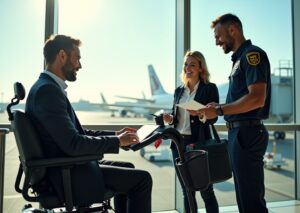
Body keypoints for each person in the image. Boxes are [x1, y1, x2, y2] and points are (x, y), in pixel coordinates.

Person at [25, 34, 152, 213]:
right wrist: (117, 142)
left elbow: (78, 133)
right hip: (66, 174)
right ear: (62, 56)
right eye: (77, 58)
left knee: (129, 168)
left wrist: (117, 136)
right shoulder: (48, 91)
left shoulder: (46, 87)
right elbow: (73, 144)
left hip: (64, 167)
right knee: (143, 180)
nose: (80, 66)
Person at [192, 13, 271, 213]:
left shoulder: (252, 55)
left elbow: (256, 98)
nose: (217, 42)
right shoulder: (238, 59)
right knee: (244, 198)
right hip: (238, 134)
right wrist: (217, 106)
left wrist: (218, 110)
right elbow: (242, 99)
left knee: (251, 200)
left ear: (233, 30)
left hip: (247, 133)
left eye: (218, 36)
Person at [163, 50, 219, 213]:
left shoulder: (209, 88)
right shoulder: (179, 91)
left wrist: (200, 113)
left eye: (192, 65)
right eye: (186, 64)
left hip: (199, 143)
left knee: (206, 191)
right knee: (187, 191)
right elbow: (177, 116)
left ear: (201, 68)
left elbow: (214, 118)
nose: (188, 68)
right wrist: (170, 118)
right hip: (178, 144)